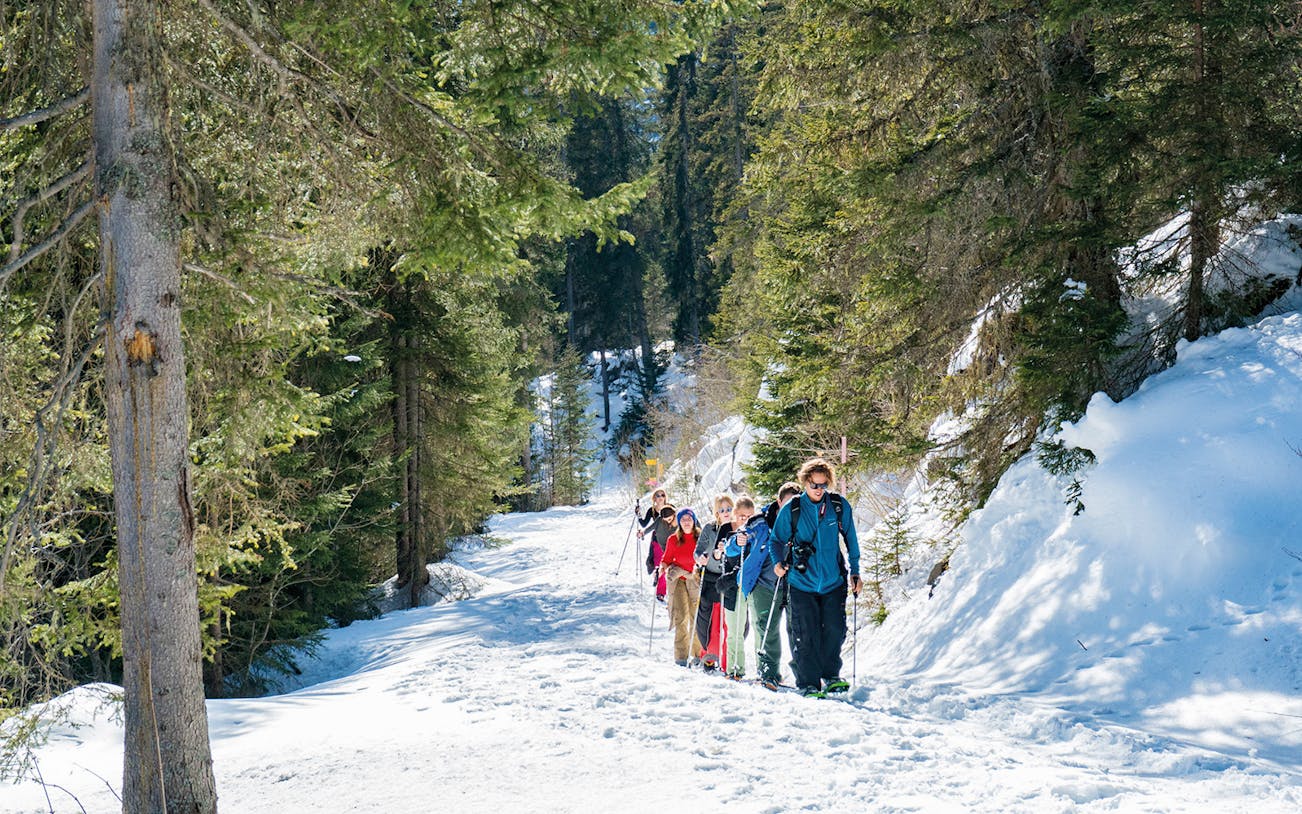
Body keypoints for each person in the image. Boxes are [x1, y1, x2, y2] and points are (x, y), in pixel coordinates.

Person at [771, 458, 862, 698]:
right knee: (805, 632)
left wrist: (855, 571)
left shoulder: (838, 506)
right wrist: (778, 563)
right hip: (802, 583)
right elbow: (776, 540)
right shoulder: (793, 509)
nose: (819, 490)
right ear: (805, 483)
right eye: (814, 485)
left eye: (823, 485)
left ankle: (831, 675)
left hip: (833, 581)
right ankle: (808, 682)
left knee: (834, 629)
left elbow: (851, 539)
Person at [693, 495, 734, 671]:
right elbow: (698, 551)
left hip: (729, 578)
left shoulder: (736, 528)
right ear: (717, 512)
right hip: (710, 578)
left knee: (727, 622)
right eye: (722, 510)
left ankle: (727, 660)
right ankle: (709, 655)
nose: (726, 513)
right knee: (709, 620)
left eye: (729, 509)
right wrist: (700, 558)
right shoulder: (710, 528)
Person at [658, 508, 702, 666]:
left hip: (695, 579)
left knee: (695, 617)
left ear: (694, 520)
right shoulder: (673, 539)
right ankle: (681, 657)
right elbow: (667, 558)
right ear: (679, 522)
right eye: (683, 519)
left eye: (689, 518)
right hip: (678, 579)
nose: (686, 522)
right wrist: (663, 566)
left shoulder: (700, 537)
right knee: (681, 617)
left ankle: (697, 654)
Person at [638, 489, 672, 601]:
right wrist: (638, 515)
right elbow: (644, 523)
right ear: (654, 498)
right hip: (657, 540)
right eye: (658, 495)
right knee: (660, 564)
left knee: (671, 565)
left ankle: (671, 590)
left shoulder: (671, 508)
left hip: (670, 541)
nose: (661, 497)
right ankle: (661, 592)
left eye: (663, 495)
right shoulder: (651, 511)